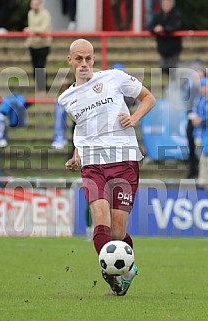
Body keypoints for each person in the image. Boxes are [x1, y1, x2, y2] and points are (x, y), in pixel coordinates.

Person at [58, 39, 156, 296]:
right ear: (70, 60)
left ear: (94, 59)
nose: (84, 64)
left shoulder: (114, 77)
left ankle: (127, 270)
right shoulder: (66, 98)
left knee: (117, 231)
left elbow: (149, 98)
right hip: (93, 166)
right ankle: (113, 273)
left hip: (123, 161)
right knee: (100, 222)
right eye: (78, 59)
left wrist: (133, 118)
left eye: (88, 58)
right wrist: (76, 153)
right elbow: (84, 127)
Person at [191, 78, 208, 186]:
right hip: (199, 133)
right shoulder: (198, 100)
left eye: (207, 87)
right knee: (204, 159)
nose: (205, 89)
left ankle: (202, 182)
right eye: (203, 87)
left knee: (205, 158)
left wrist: (201, 121)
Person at [181, 60, 206, 178]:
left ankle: (204, 172)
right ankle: (193, 169)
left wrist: (202, 118)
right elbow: (186, 104)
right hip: (192, 120)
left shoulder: (206, 90)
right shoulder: (190, 88)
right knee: (191, 145)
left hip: (203, 122)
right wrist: (192, 116)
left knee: (203, 147)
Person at [24, 0, 52, 94]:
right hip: (33, 44)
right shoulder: (30, 13)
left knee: (41, 66)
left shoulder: (45, 14)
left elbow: (43, 29)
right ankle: (39, 87)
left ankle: (42, 88)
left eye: (36, 4)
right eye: (32, 4)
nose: (34, 6)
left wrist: (32, 30)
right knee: (35, 67)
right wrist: (28, 41)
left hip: (43, 44)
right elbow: (31, 29)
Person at [151, 0, 182, 81]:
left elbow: (177, 26)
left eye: (168, 4)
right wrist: (155, 29)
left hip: (174, 47)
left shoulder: (176, 15)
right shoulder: (158, 16)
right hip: (163, 47)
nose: (166, 6)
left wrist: (164, 29)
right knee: (163, 67)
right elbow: (150, 26)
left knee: (174, 68)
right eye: (164, 4)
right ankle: (171, 80)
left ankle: (174, 83)